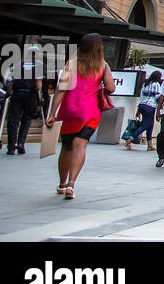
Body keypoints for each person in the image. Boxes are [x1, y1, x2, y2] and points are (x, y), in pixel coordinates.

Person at [44, 33, 114, 200]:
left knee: (67, 147)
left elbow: (60, 90)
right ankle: (71, 184)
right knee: (80, 145)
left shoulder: (71, 64)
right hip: (89, 112)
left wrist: (52, 113)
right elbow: (110, 88)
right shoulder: (103, 65)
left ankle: (61, 184)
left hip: (69, 111)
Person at [4, 66, 42, 156]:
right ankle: (21, 143)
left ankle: (11, 147)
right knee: (27, 119)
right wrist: (39, 96)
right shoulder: (37, 67)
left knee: (13, 120)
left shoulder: (16, 66)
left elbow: (10, 81)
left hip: (17, 93)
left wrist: (9, 92)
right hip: (30, 95)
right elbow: (38, 84)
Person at [122, 70, 161, 152]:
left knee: (150, 125)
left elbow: (141, 96)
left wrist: (138, 109)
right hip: (150, 107)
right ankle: (129, 139)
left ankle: (150, 145)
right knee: (146, 125)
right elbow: (158, 97)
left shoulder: (145, 84)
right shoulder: (156, 84)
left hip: (142, 106)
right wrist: (160, 107)